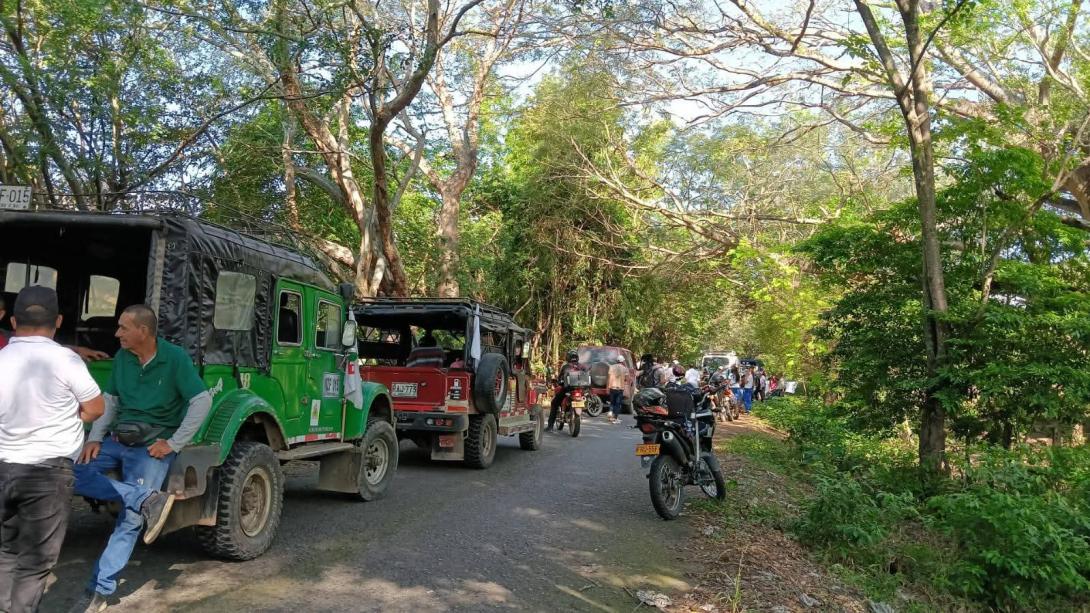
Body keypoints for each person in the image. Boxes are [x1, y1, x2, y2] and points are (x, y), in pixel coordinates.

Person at [69, 305, 212, 613]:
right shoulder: (123, 358)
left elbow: (202, 400)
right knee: (66, 473)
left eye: (123, 327)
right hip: (117, 440)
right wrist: (94, 437)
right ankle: (147, 497)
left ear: (143, 332)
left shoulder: (174, 358)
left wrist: (173, 443)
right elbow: (111, 401)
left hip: (151, 447)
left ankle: (99, 591)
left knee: (131, 518)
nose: (117, 333)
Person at [0, 286, 105, 613]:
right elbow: (95, 408)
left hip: (2, 467)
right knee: (35, 561)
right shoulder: (67, 360)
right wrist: (69, 414)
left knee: (4, 550)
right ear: (58, 321)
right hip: (47, 475)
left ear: (14, 321)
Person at [548, 350, 583, 431]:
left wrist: (559, 382)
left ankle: (550, 426)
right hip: (579, 390)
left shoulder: (566, 367)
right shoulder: (581, 366)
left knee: (554, 403)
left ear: (568, 358)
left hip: (567, 390)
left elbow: (560, 378)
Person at [607, 356, 628, 424]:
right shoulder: (625, 369)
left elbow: (609, 378)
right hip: (620, 388)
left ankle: (610, 413)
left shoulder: (611, 367)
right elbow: (626, 379)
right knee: (617, 404)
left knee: (612, 402)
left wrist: (607, 388)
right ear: (622, 361)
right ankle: (615, 418)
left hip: (612, 387)